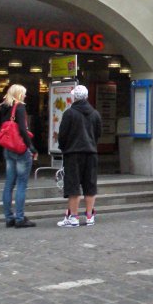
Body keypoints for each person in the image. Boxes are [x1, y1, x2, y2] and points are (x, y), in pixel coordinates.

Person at [57, 85, 102, 227]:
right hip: (91, 152)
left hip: (73, 153)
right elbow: (98, 134)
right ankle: (89, 216)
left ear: (74, 97)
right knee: (90, 185)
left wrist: (64, 148)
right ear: (87, 97)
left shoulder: (69, 113)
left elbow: (62, 135)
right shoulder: (95, 113)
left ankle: (74, 217)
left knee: (73, 186)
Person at [0, 84, 37, 228]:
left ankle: (9, 217)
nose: (25, 96)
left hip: (8, 149)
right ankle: (20, 218)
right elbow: (22, 129)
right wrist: (31, 147)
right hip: (20, 149)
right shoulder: (19, 107)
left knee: (9, 184)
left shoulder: (3, 107)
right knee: (21, 184)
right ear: (19, 94)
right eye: (24, 93)